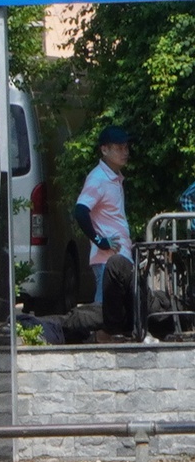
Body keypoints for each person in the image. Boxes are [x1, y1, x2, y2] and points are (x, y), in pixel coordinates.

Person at [76, 125, 139, 336]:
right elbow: (80, 211)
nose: (125, 152)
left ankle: (108, 347)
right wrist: (99, 240)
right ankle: (98, 351)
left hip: (118, 257)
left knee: (114, 310)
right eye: (119, 147)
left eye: (126, 147)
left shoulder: (114, 177)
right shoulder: (98, 179)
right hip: (106, 260)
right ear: (104, 150)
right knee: (104, 312)